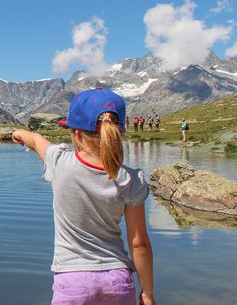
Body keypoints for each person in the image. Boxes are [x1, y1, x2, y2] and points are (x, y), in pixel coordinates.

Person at [12, 88, 155, 305]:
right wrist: (147, 293)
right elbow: (139, 243)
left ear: (77, 134)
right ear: (120, 132)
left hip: (73, 281)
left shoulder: (60, 163)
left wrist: (19, 133)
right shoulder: (132, 179)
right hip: (118, 280)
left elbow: (36, 141)